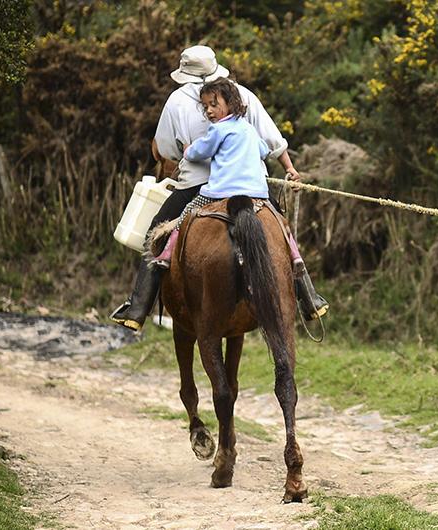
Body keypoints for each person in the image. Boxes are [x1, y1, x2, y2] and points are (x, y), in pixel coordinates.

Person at [110, 45, 327, 331]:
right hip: (254, 185)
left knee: (157, 230)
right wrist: (289, 168)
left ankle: (138, 307)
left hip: (201, 187)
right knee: (281, 229)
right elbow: (272, 141)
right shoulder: (243, 95)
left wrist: (186, 151)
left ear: (185, 74)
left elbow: (165, 149)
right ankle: (308, 296)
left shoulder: (177, 101)